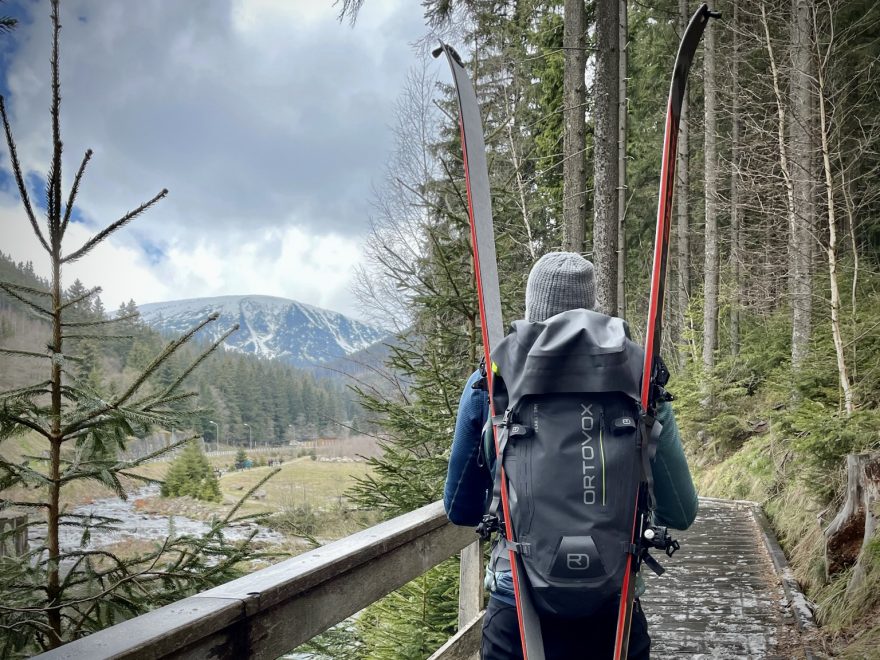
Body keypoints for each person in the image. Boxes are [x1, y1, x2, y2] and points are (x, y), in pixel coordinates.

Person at [443, 251, 699, 659]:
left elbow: (460, 509)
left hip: (518, 613)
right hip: (613, 614)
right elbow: (681, 511)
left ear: (532, 308)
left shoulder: (491, 381)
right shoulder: (639, 378)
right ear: (591, 307)